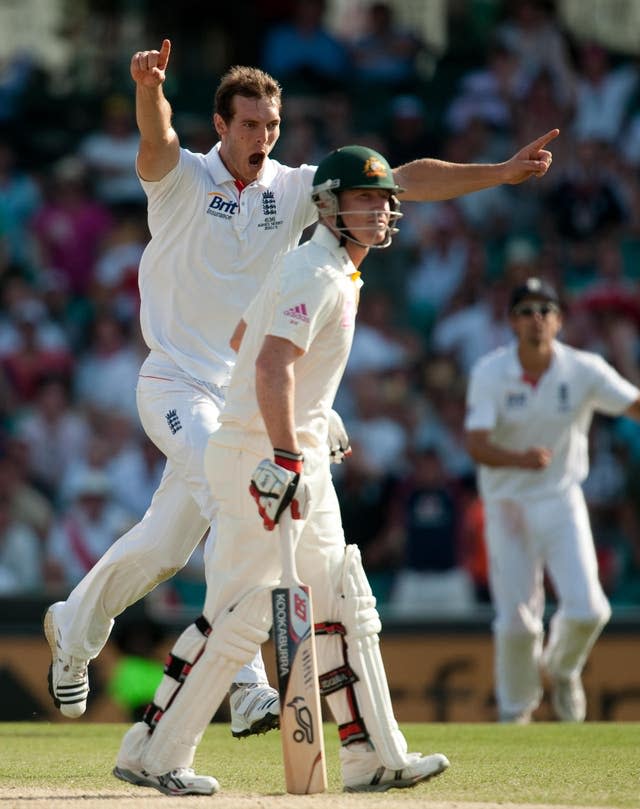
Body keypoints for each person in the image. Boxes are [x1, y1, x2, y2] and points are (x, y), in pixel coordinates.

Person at [44, 35, 558, 730]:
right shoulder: (182, 179)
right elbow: (156, 139)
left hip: (239, 393)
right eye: (250, 124)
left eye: (272, 125)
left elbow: (396, 179)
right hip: (173, 382)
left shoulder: (292, 189)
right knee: (239, 496)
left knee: (166, 547)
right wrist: (147, 89)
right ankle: (249, 678)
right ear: (221, 125)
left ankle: (72, 626)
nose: (263, 136)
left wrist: (499, 173)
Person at [113, 144, 450, 796]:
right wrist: (288, 449)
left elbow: (244, 339)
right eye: (365, 198)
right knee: (240, 613)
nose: (381, 210)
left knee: (342, 603)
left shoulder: (325, 269)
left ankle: (371, 755)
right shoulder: (314, 273)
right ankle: (151, 749)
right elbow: (268, 365)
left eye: (385, 200)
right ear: (328, 206)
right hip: (259, 458)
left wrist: (315, 414)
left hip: (293, 450)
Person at [464, 277, 640, 723]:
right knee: (518, 622)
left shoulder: (584, 369)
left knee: (589, 610)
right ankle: (515, 714)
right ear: (512, 322)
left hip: (560, 499)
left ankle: (561, 667)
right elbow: (477, 444)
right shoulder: (490, 372)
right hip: (505, 503)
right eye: (525, 310)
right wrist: (519, 459)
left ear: (559, 320)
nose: (535, 319)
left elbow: (632, 404)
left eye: (545, 310)